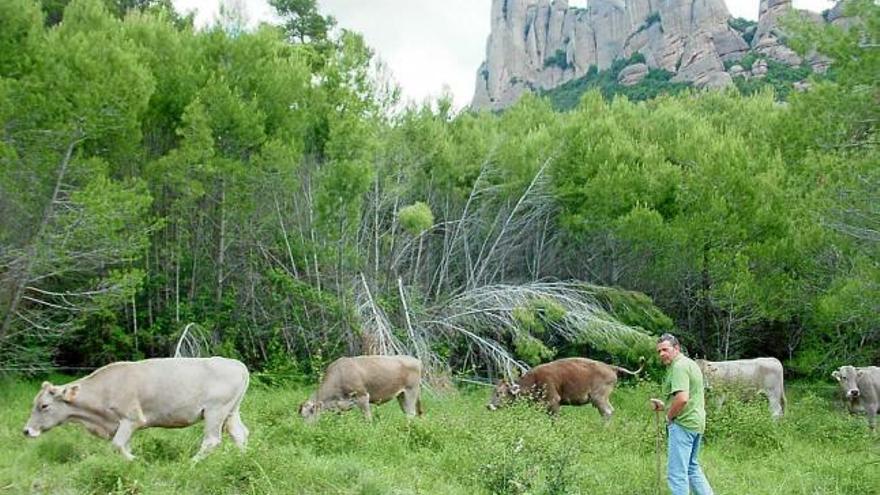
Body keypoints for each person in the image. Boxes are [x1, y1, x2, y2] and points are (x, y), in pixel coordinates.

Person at [650, 333, 714, 495]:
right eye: (659, 351)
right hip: (696, 422)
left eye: (665, 349)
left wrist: (669, 416)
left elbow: (683, 399)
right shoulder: (690, 364)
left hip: (683, 424)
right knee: (692, 468)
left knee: (676, 473)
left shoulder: (679, 367)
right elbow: (688, 397)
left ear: (676, 348)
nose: (661, 354)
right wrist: (665, 406)